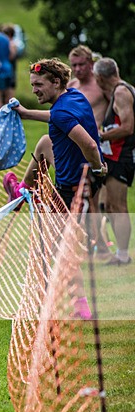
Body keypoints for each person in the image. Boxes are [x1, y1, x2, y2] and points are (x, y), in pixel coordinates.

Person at [11, 58, 107, 318]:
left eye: (38, 84)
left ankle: (80, 304)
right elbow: (57, 118)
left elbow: (87, 143)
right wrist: (27, 113)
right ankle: (22, 191)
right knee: (44, 143)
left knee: (61, 248)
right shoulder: (73, 97)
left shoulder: (62, 113)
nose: (34, 90)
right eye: (32, 85)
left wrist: (98, 166)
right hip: (83, 179)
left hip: (72, 188)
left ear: (55, 82)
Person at [94, 57, 134, 265]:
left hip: (122, 157)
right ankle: (120, 251)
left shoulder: (121, 92)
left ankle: (123, 254)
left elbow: (128, 127)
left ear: (100, 77)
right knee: (109, 206)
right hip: (114, 157)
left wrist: (100, 136)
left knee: (118, 206)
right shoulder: (118, 92)